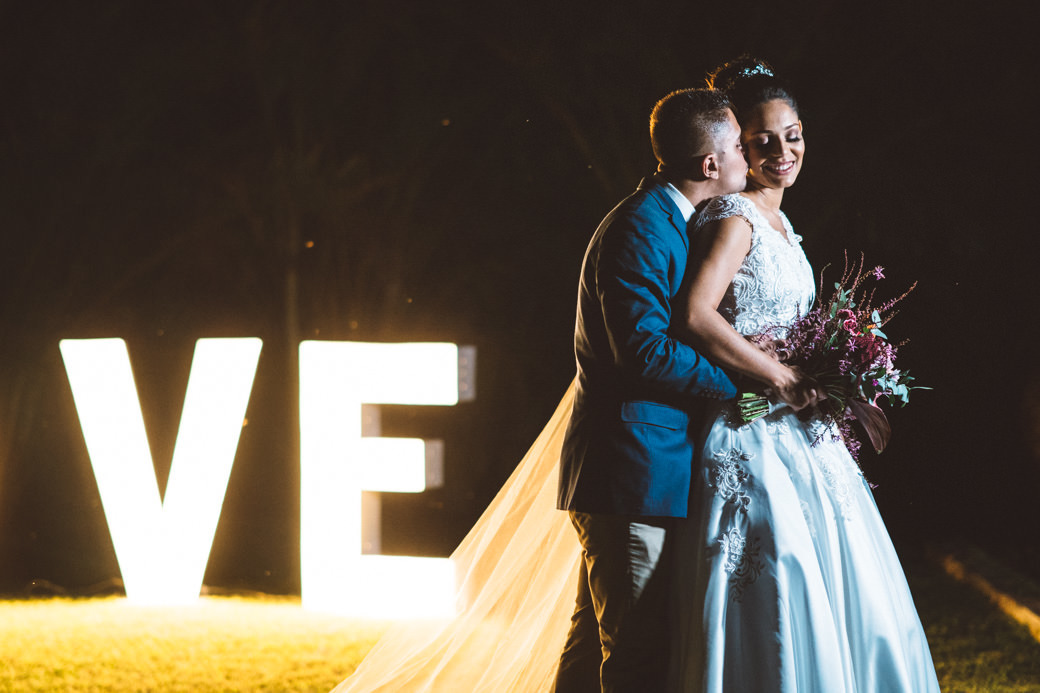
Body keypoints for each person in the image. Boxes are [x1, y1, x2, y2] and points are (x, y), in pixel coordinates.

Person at [669, 57, 941, 692]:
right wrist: (782, 378)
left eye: (792, 134)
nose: (782, 150)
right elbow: (696, 315)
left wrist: (828, 371)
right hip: (750, 427)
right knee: (779, 579)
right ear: (738, 143)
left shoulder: (782, 224)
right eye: (761, 139)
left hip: (799, 430)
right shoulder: (734, 217)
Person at [552, 87, 817, 693]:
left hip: (653, 469)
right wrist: (744, 381)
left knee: (592, 648)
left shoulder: (671, 222)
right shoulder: (642, 227)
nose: (749, 164)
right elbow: (642, 351)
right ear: (709, 165)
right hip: (632, 471)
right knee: (637, 654)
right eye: (738, 151)